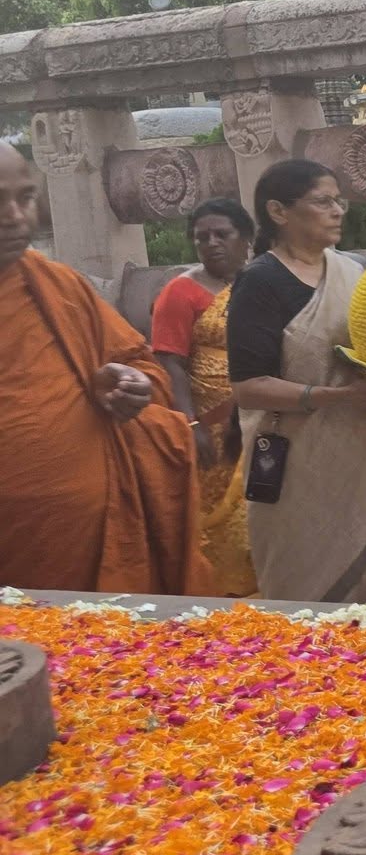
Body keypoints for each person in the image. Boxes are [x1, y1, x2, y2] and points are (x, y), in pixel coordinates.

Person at [227, 158, 366, 606]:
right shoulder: (261, 282)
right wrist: (344, 397)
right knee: (314, 603)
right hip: (305, 470)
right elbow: (248, 387)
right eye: (322, 202)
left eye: (339, 201)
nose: (337, 211)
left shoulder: (355, 270)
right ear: (278, 211)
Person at [0, 142, 207, 594]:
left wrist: (127, 384)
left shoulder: (59, 286)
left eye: (25, 197)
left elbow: (139, 366)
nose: (16, 217)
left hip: (89, 540)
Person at [149, 197, 257, 596]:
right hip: (210, 426)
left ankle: (268, 593)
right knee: (216, 513)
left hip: (262, 414)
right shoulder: (181, 292)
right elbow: (169, 361)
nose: (211, 243)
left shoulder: (262, 283)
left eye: (221, 234)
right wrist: (191, 423)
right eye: (201, 237)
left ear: (246, 238)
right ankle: (218, 594)